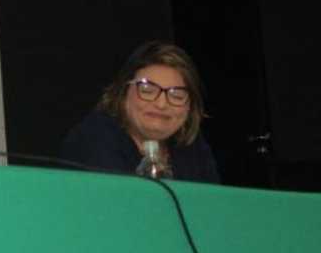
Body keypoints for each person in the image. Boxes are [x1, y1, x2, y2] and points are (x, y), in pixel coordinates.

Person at [60, 41, 219, 182]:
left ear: (190, 106)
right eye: (147, 90)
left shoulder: (192, 147)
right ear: (123, 92)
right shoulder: (95, 136)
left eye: (177, 95)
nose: (162, 104)